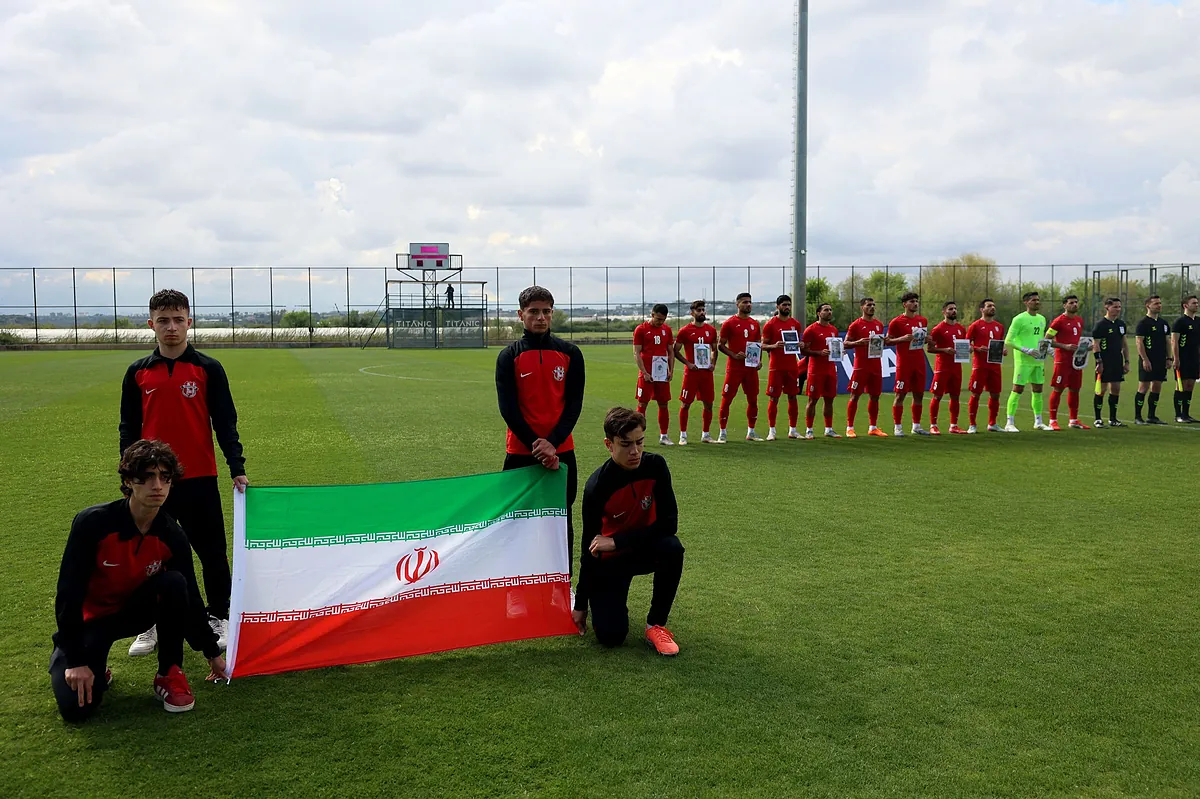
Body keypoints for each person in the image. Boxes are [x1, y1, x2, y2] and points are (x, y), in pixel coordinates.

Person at [50, 440, 227, 720]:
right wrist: (76, 660)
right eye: (147, 477)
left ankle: (169, 673)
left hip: (132, 614)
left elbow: (191, 597)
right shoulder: (92, 524)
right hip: (89, 623)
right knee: (77, 710)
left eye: (165, 477)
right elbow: (68, 594)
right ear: (129, 481)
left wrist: (212, 652)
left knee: (174, 583)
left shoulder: (171, 534)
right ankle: (97, 668)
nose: (157, 486)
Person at [120, 290, 247, 658]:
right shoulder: (138, 372)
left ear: (189, 322)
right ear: (151, 325)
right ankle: (149, 621)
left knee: (212, 553)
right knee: (148, 552)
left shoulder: (208, 369)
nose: (171, 327)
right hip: (152, 482)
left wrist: (236, 468)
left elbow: (225, 422)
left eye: (178, 319)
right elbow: (128, 427)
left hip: (200, 477)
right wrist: (131, 475)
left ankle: (218, 616)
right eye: (163, 320)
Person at [572, 408, 683, 657]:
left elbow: (669, 524)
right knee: (611, 636)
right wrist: (581, 604)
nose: (635, 451)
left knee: (672, 548)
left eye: (639, 442)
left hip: (640, 549)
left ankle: (656, 625)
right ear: (609, 445)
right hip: (610, 564)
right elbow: (588, 548)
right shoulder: (597, 486)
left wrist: (617, 541)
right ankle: (604, 605)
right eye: (626, 444)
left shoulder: (656, 466)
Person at [496, 285, 586, 568]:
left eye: (546, 311)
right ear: (520, 314)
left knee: (560, 519)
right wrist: (538, 446)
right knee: (514, 520)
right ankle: (516, 581)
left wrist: (553, 443)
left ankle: (563, 583)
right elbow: (508, 409)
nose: (541, 317)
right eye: (534, 311)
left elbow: (574, 405)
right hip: (521, 452)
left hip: (562, 451)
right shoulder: (508, 356)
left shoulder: (570, 353)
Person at [717, 292, 764, 442]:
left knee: (753, 399)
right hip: (734, 368)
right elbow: (720, 345)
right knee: (727, 399)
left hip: (750, 369)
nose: (748, 304)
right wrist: (733, 355)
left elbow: (758, 345)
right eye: (744, 302)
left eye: (749, 302)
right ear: (737, 304)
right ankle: (722, 432)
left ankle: (751, 431)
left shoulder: (754, 324)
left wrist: (759, 361)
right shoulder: (729, 323)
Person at [885, 292, 931, 436]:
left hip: (919, 362)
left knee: (919, 394)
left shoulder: (922, 320)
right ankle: (897, 427)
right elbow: (887, 341)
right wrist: (902, 339)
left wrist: (926, 339)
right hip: (904, 364)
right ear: (904, 304)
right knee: (900, 395)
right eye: (912, 301)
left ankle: (916, 426)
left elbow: (921, 340)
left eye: (916, 301)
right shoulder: (896, 322)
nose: (915, 304)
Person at [673, 300, 719, 445]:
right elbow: (676, 351)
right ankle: (683, 435)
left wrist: (713, 363)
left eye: (703, 310)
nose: (702, 312)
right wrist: (688, 363)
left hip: (706, 374)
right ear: (692, 313)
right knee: (686, 404)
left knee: (709, 404)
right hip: (691, 373)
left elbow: (714, 350)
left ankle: (706, 434)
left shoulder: (711, 330)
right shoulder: (685, 331)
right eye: (699, 310)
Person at [1003, 291, 1050, 432]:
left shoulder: (1042, 319)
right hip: (1023, 361)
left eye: (1038, 300)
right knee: (1017, 389)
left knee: (1038, 390)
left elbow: (1040, 338)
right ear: (1026, 302)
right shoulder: (1019, 319)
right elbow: (1009, 340)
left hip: (1038, 361)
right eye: (1033, 300)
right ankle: (1009, 423)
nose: (1037, 302)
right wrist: (1025, 350)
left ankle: (1038, 421)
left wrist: (1048, 349)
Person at [761, 294, 804, 441]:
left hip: (792, 367)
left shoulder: (795, 324)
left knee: (793, 397)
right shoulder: (770, 324)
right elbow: (763, 345)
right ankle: (772, 431)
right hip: (776, 367)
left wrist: (800, 345)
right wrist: (774, 346)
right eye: (784, 305)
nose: (787, 307)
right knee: (774, 398)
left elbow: (797, 343)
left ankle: (793, 430)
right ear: (777, 306)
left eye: (788, 305)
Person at [1045, 294, 1090, 430]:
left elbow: (1076, 339)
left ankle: (1073, 420)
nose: (1074, 305)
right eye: (1071, 303)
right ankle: (1052, 420)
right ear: (1064, 305)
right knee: (1058, 388)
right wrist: (1064, 346)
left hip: (1076, 361)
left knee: (1075, 389)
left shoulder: (1079, 320)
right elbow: (1047, 340)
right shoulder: (1058, 321)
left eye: (1076, 302)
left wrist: (1086, 347)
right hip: (1062, 361)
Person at [844, 297, 887, 438]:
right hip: (861, 366)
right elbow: (846, 344)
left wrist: (884, 341)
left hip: (876, 365)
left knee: (875, 396)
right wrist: (858, 342)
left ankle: (873, 427)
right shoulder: (855, 325)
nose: (872, 307)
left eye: (873, 305)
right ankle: (850, 427)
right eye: (869, 305)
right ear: (862, 307)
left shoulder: (878, 324)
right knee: (855, 395)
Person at [633, 303, 676, 446]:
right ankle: (638, 437)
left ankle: (664, 436)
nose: (660, 322)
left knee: (663, 404)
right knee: (642, 403)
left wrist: (671, 370)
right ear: (652, 315)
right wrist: (644, 372)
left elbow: (670, 351)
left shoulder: (667, 330)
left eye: (663, 319)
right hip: (646, 374)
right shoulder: (641, 329)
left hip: (662, 373)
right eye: (658, 319)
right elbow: (637, 353)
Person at [927, 301, 969, 435]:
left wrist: (969, 349)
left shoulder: (961, 328)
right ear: (944, 312)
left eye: (955, 308)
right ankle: (933, 425)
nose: (954, 311)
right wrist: (944, 350)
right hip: (942, 368)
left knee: (955, 396)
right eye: (950, 309)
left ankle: (954, 425)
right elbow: (930, 348)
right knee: (937, 396)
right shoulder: (938, 329)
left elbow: (963, 345)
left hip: (956, 367)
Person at [801, 303, 841, 439]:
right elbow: (803, 350)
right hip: (816, 370)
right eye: (826, 310)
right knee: (813, 400)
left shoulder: (833, 330)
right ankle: (809, 429)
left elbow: (834, 348)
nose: (829, 312)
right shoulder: (811, 330)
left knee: (829, 399)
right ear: (819, 313)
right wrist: (818, 352)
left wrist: (839, 352)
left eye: (830, 310)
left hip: (830, 369)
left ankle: (828, 429)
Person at [966, 298, 1006, 433]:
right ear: (982, 309)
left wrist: (1003, 350)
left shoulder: (999, 326)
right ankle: (972, 424)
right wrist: (977, 348)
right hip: (980, 366)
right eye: (989, 306)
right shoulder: (975, 326)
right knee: (976, 394)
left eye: (993, 306)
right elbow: (965, 344)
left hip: (995, 365)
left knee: (995, 394)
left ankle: (992, 423)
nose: (992, 308)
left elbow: (1000, 343)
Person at [1091, 297, 1130, 428]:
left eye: (1119, 307)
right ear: (1107, 307)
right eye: (1115, 307)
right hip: (1104, 361)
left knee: (1116, 389)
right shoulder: (1100, 325)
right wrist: (1099, 361)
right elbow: (1096, 344)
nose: (1118, 309)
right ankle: (1098, 419)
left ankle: (1113, 419)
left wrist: (1127, 361)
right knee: (1101, 390)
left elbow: (1124, 343)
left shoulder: (1121, 324)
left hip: (1117, 360)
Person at [1134, 295, 1172, 425]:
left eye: (1160, 303)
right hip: (1147, 360)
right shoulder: (1143, 323)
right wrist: (1145, 359)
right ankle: (1138, 417)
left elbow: (1167, 341)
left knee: (1157, 386)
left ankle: (1152, 416)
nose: (1159, 305)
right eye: (1156, 303)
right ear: (1148, 306)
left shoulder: (1163, 323)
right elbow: (1139, 342)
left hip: (1160, 360)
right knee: (1143, 387)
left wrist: (1169, 357)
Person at [1171, 294, 1198, 423]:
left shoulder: (1198, 321)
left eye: (1197, 303)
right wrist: (1176, 358)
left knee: (1190, 385)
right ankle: (1178, 415)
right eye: (1194, 303)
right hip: (1183, 358)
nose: (1196, 305)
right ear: (1185, 305)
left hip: (1195, 358)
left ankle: (1186, 414)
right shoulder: (1180, 322)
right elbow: (1174, 342)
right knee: (1181, 385)